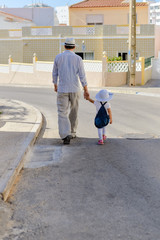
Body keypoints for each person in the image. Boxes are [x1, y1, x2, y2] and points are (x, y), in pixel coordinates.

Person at [52, 37, 89, 144]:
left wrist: (55, 84)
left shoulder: (58, 57)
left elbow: (55, 73)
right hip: (74, 89)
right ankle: (72, 132)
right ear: (74, 47)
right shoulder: (78, 59)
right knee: (74, 111)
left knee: (62, 112)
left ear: (65, 46)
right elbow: (82, 75)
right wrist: (85, 89)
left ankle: (65, 134)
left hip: (62, 88)